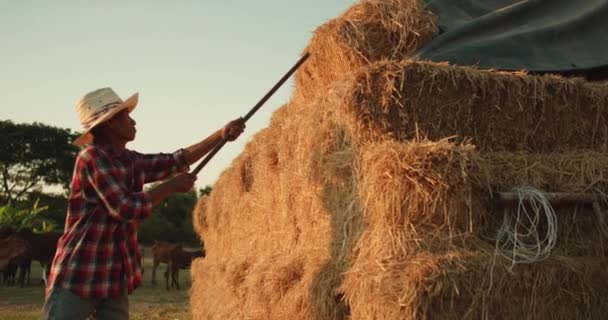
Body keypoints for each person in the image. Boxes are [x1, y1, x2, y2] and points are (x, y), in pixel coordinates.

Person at [41, 87, 245, 319]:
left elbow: (176, 160)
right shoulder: (92, 158)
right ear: (110, 124)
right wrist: (171, 187)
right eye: (126, 116)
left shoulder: (129, 160)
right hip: (80, 273)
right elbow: (126, 208)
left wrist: (220, 135)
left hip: (113, 275)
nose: (133, 121)